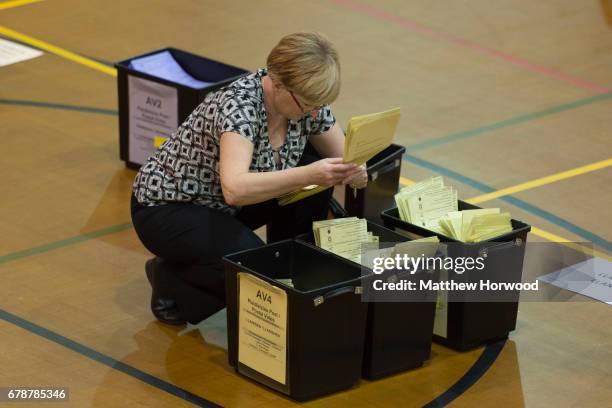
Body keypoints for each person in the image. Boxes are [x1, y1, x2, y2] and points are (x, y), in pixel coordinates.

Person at [131, 32, 367, 325]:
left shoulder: (305, 100)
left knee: (316, 176)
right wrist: (308, 174)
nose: (315, 112)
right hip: (167, 207)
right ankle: (172, 281)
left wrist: (355, 171)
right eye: (308, 104)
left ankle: (291, 272)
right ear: (277, 83)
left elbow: (344, 156)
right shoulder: (240, 107)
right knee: (251, 264)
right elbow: (235, 188)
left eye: (320, 104)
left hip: (221, 205)